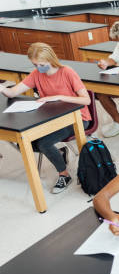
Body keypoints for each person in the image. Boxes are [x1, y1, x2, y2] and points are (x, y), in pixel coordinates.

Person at [0, 43, 91, 194]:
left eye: (41, 64)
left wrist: (58, 97)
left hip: (77, 118)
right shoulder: (37, 74)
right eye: (35, 64)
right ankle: (59, 153)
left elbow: (86, 100)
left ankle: (64, 174)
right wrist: (3, 88)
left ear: (51, 59)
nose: (38, 67)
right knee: (25, 142)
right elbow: (13, 92)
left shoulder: (67, 72)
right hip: (52, 118)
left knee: (44, 143)